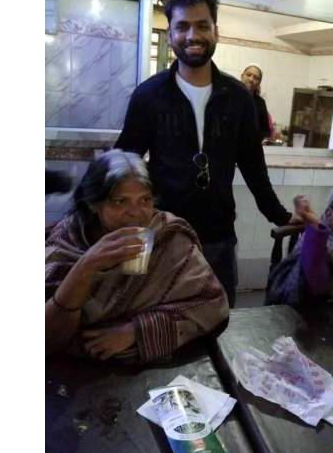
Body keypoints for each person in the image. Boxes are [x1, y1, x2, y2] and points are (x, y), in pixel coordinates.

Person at [115, 0, 302, 307]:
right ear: (171, 34)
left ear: (216, 31)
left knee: (219, 317)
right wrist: (102, 213)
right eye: (182, 26)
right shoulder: (149, 95)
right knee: (156, 317)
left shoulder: (238, 97)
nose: (193, 35)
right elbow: (124, 160)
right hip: (161, 232)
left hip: (218, 236)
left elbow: (253, 165)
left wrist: (281, 216)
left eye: (202, 25)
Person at [45, 149, 229, 362]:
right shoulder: (68, 240)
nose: (135, 212)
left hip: (154, 368)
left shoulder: (168, 237)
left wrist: (137, 331)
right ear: (94, 204)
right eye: (120, 201)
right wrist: (85, 267)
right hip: (72, 368)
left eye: (145, 200)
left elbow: (212, 304)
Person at [240, 64, 276, 141]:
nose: (251, 79)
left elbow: (266, 130)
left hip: (251, 146)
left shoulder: (260, 103)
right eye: (248, 75)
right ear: (242, 76)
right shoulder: (230, 97)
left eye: (255, 78)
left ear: (259, 83)